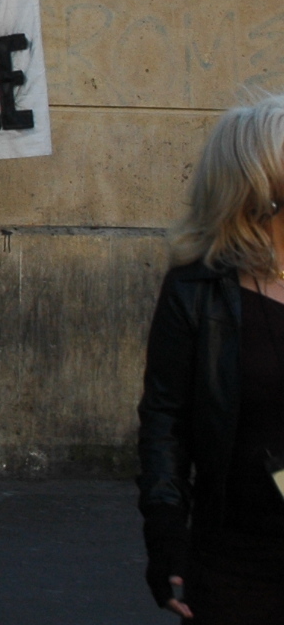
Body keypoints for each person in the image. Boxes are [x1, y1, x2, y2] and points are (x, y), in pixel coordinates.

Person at [137, 96, 284, 623]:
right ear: (261, 186)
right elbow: (165, 424)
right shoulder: (196, 291)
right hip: (237, 558)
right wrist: (166, 536)